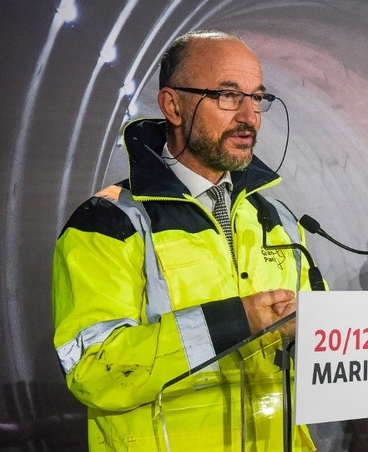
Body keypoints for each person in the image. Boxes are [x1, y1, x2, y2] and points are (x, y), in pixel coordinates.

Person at [52, 30, 318, 451]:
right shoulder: (108, 222)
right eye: (228, 96)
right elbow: (95, 372)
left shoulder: (278, 219)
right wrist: (235, 321)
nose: (250, 116)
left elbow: (318, 346)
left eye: (258, 98)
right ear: (173, 105)